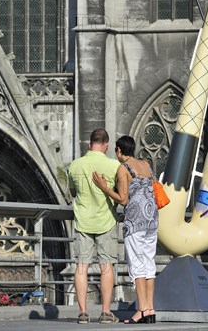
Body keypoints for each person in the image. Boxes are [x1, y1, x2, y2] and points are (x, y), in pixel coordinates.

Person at [93, 135, 159, 324]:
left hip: (135, 222)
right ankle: (150, 309)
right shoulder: (146, 166)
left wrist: (104, 187)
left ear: (119, 151)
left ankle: (141, 310)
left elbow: (122, 199)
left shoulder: (124, 168)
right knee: (148, 264)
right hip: (152, 220)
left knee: (137, 266)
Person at [68, 128, 120, 324]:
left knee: (81, 266)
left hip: (83, 221)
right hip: (106, 221)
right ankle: (106, 312)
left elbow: (72, 192)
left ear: (89, 145)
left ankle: (82, 312)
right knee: (106, 266)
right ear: (106, 145)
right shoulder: (114, 166)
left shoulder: (75, 165)